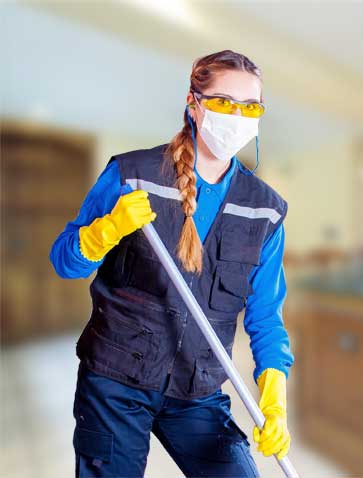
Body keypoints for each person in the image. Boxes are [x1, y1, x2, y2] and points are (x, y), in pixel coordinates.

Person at [49, 50, 294, 477]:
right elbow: (65, 261)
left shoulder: (265, 211)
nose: (238, 115)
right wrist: (106, 229)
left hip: (197, 390)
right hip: (116, 380)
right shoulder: (133, 175)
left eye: (250, 106)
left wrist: (274, 394)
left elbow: (266, 318)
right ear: (194, 103)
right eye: (223, 102)